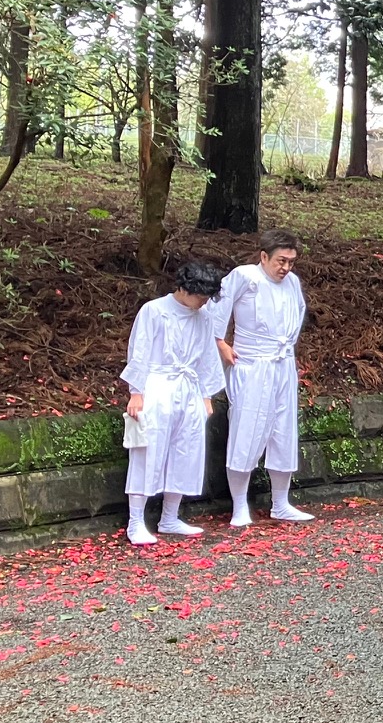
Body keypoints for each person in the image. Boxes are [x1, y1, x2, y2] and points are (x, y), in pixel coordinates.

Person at [121, 260, 227, 546]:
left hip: (189, 387)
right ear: (184, 288)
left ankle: (169, 517)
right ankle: (135, 522)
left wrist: (206, 395)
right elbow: (140, 350)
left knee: (185, 451)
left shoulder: (204, 317)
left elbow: (207, 357)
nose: (204, 302)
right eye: (201, 295)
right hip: (157, 385)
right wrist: (136, 392)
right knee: (147, 452)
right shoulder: (154, 311)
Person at [213, 230, 313, 527]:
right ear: (264, 256)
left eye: (291, 261)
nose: (286, 267)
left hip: (282, 364)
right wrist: (221, 343)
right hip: (252, 364)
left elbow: (297, 314)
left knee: (283, 431)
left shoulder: (292, 282)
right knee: (246, 431)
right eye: (281, 260)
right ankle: (239, 505)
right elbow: (218, 308)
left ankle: (281, 502)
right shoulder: (245, 276)